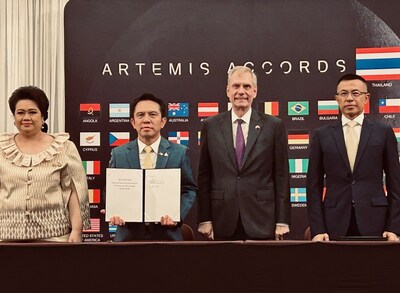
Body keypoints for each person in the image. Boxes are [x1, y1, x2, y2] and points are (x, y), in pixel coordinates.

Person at [197, 66, 291, 240]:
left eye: (247, 87)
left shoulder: (273, 125)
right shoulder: (210, 126)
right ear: (227, 91)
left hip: (263, 219)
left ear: (255, 91)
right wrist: (204, 219)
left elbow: (282, 176)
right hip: (222, 219)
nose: (241, 91)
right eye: (236, 86)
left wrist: (282, 221)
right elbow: (204, 176)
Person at [307, 73, 400, 241]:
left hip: (376, 221)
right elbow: (313, 186)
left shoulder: (383, 132)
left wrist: (394, 227)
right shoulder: (322, 135)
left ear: (366, 97)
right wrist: (318, 229)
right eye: (344, 93)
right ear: (337, 99)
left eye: (355, 93)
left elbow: (395, 184)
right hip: (333, 222)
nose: (349, 98)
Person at [0, 86, 90, 242]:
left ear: (43, 117)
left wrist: (76, 230)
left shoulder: (65, 147)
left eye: (32, 112)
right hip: (6, 237)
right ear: (14, 118)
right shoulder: (1, 147)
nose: (26, 117)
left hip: (54, 237)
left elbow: (75, 192)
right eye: (20, 113)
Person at [104, 93, 197, 241]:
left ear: (163, 121)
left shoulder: (179, 153)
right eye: (140, 115)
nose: (146, 120)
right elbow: (110, 190)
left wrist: (176, 215)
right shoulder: (118, 154)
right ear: (133, 122)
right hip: (128, 236)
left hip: (167, 236)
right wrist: (113, 210)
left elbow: (189, 189)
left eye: (152, 114)